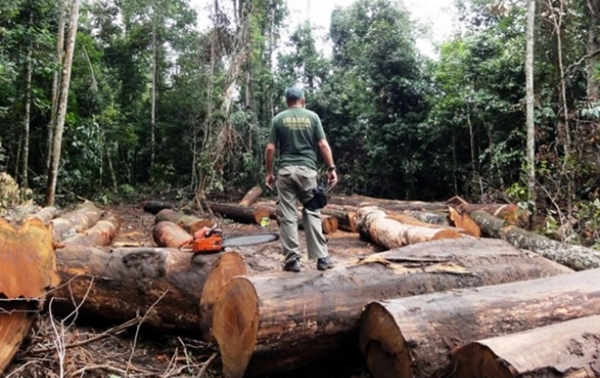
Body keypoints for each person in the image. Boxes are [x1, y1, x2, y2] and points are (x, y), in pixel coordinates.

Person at [265, 86, 338, 272]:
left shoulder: (278, 118)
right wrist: (331, 168)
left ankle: (292, 261)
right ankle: (322, 258)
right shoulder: (312, 117)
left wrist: (269, 173)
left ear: (286, 101)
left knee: (288, 215)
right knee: (312, 212)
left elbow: (270, 149)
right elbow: (322, 144)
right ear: (302, 100)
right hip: (308, 172)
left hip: (286, 172)